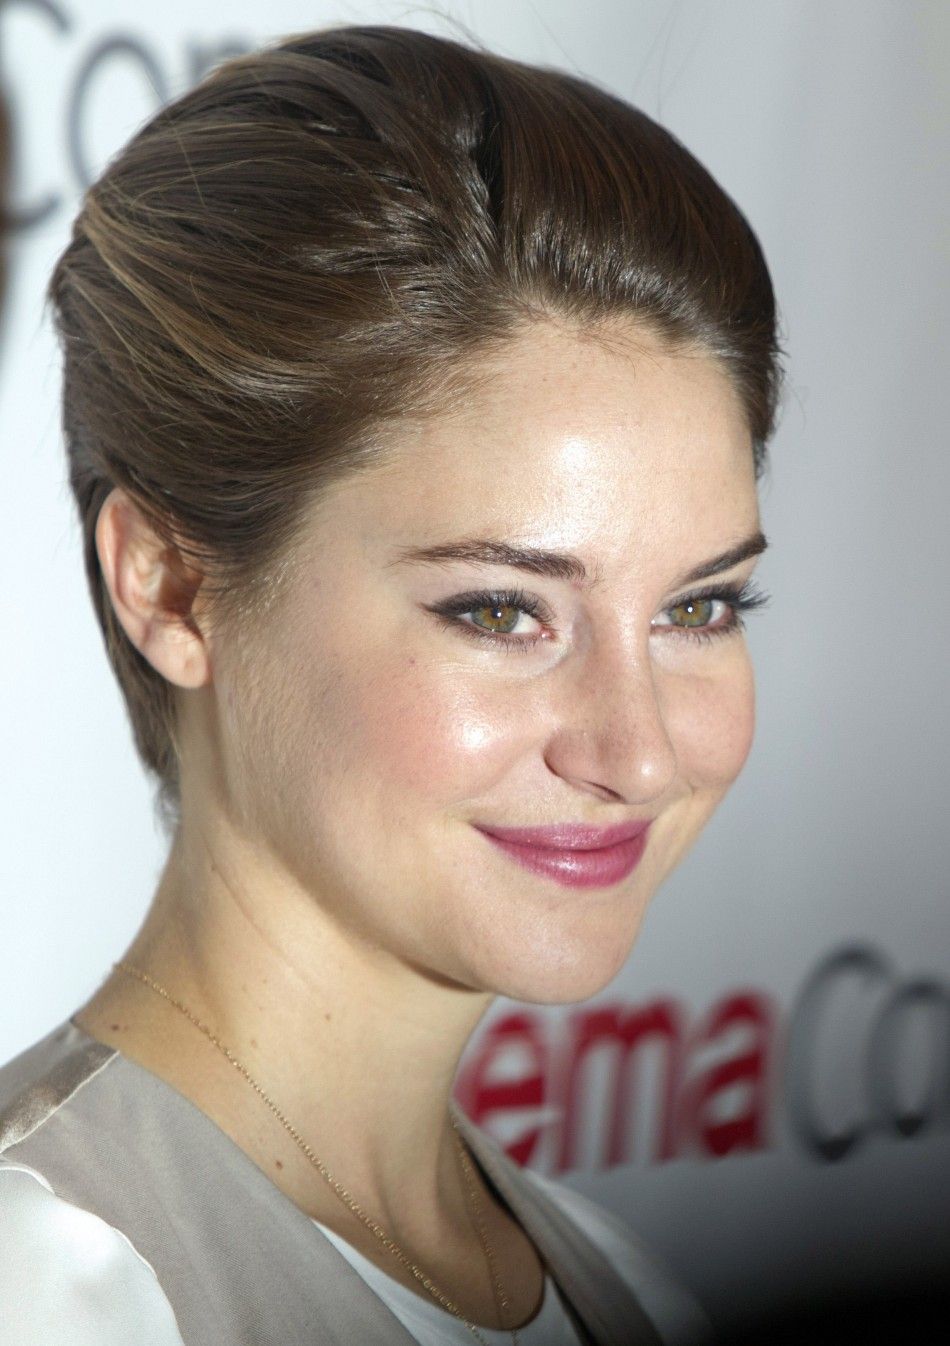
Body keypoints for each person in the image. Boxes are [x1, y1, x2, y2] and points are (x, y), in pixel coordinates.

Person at [0, 22, 780, 1346]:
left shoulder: (625, 1288)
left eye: (698, 607)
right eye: (500, 609)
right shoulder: (47, 1288)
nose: (638, 752)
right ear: (171, 589)